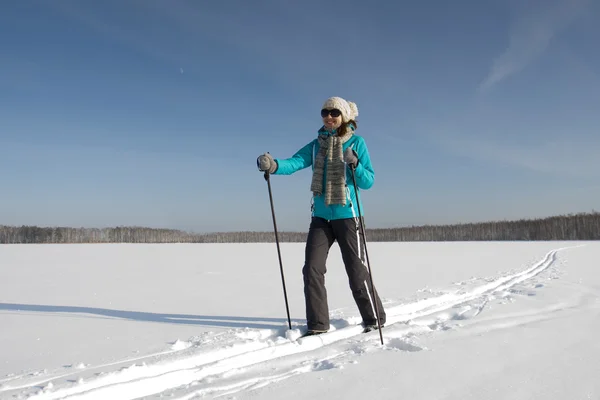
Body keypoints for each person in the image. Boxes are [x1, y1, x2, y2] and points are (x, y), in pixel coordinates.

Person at [256, 96, 386, 336]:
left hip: (349, 215)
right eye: (325, 112)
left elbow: (369, 181)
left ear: (344, 116)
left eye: (334, 112)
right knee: (312, 269)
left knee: (356, 271)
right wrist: (273, 165)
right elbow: (295, 162)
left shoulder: (357, 143)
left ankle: (374, 318)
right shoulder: (316, 145)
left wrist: (355, 165)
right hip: (321, 217)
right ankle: (318, 324)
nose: (329, 116)